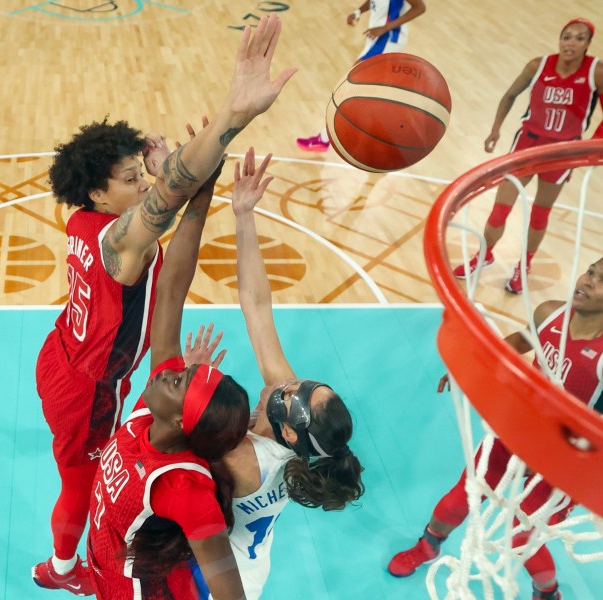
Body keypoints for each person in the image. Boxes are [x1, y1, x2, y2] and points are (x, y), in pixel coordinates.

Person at [31, 15, 295, 595]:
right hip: (86, 387)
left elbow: (172, 224)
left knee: (90, 472)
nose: (145, 182)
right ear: (100, 193)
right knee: (78, 486)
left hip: (65, 354)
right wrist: (232, 116)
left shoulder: (89, 221)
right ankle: (60, 567)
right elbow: (172, 192)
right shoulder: (122, 241)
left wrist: (192, 178)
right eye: (131, 178)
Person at [388, 254, 603, 600]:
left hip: (569, 457)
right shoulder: (549, 312)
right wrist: (471, 364)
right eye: (591, 271)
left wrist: (589, 455)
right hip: (520, 431)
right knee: (461, 496)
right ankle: (428, 547)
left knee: (521, 536)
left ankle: (547, 592)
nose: (587, 280)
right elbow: (521, 341)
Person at [191, 148, 365, 599]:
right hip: (249, 567)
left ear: (289, 431)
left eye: (295, 392)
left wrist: (192, 380)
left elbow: (168, 441)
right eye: (305, 384)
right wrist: (244, 215)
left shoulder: (243, 458)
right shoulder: (291, 426)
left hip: (218, 586)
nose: (291, 382)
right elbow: (258, 306)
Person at [86, 152, 253, 599]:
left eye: (181, 381)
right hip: (105, 564)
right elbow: (171, 290)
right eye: (184, 373)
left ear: (183, 422)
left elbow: (229, 589)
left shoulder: (182, 485)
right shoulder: (154, 409)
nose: (172, 373)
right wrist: (201, 192)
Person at [454, 18, 603, 294]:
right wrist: (495, 130)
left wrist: (591, 146)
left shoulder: (599, 72)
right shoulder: (538, 65)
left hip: (563, 151)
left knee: (540, 214)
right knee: (500, 208)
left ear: (588, 44)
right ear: (559, 39)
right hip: (527, 145)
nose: (571, 43)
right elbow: (509, 95)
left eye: (579, 38)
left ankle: (524, 264)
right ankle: (485, 254)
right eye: (566, 37)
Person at [296, 0, 427, 151]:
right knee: (371, 94)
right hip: (375, 38)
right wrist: (358, 11)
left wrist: (385, 28)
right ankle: (390, 139)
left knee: (352, 88)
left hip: (387, 39)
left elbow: (420, 7)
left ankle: (325, 138)